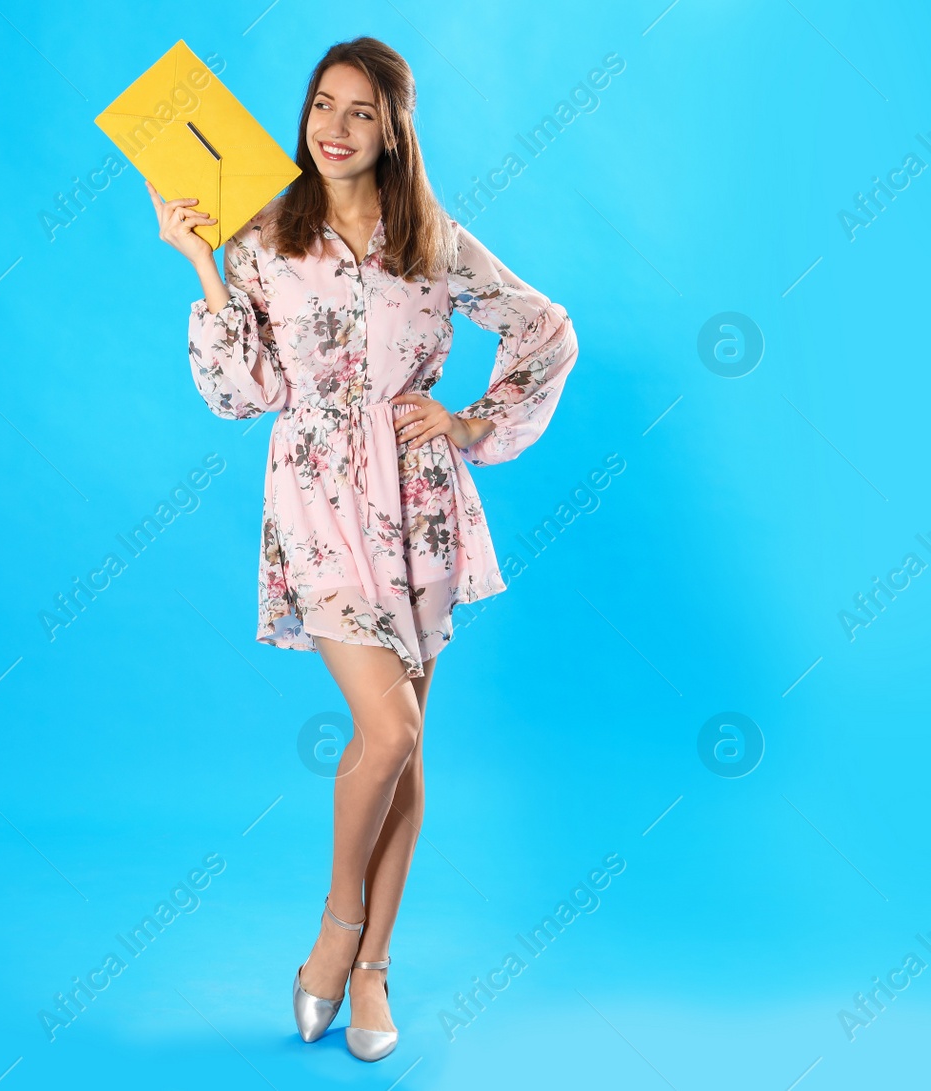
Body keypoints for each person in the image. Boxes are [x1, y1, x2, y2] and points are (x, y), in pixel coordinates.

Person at [148, 36, 578, 1062]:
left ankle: (373, 966)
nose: (333, 129)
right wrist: (201, 262)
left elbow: (545, 327)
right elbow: (240, 392)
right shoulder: (261, 234)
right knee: (383, 731)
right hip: (314, 502)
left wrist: (472, 423)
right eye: (322, 107)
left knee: (407, 745)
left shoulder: (430, 241)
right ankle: (334, 935)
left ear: (394, 130)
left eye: (360, 113)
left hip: (418, 502)